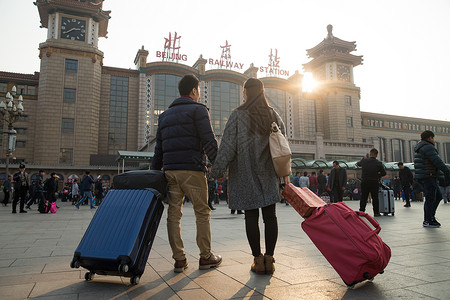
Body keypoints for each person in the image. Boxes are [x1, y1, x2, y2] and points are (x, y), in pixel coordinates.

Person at [210, 78, 289, 275]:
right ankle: (270, 260)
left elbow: (228, 145)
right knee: (270, 216)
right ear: (262, 93)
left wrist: (217, 170)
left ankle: (257, 260)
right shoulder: (273, 114)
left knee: (251, 217)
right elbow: (282, 142)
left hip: (245, 172)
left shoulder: (238, 115)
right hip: (268, 173)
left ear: (246, 93)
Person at [151, 74, 222, 273]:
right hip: (192, 170)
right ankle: (206, 256)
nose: (199, 93)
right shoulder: (198, 110)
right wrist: (218, 168)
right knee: (202, 212)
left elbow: (159, 150)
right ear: (193, 91)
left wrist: (155, 174)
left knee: (174, 215)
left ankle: (179, 259)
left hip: (170, 172)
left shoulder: (164, 116)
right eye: (198, 90)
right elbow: (209, 141)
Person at [414, 130, 450, 228]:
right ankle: (427, 220)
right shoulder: (428, 147)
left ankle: (431, 217)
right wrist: (447, 171)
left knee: (438, 196)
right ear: (430, 138)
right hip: (428, 176)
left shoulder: (420, 147)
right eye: (433, 138)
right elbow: (437, 161)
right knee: (430, 198)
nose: (434, 140)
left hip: (425, 176)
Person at [357, 149, 386, 216]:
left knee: (364, 197)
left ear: (370, 154)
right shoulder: (378, 163)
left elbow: (358, 164)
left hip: (365, 181)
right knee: (375, 197)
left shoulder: (364, 161)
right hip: (374, 182)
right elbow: (384, 173)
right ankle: (376, 212)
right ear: (376, 155)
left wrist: (364, 159)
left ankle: (362, 211)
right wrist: (378, 175)